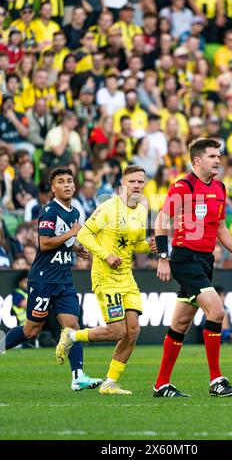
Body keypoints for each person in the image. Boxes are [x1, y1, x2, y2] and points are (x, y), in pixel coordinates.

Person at [153, 137, 232, 398]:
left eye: (218, 155)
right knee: (217, 310)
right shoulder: (182, 187)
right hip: (184, 259)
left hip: (206, 260)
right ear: (197, 161)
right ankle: (216, 380)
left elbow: (221, 228)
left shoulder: (220, 188)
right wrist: (164, 257)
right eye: (212, 156)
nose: (218, 159)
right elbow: (161, 221)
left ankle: (161, 384)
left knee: (181, 323)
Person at [55, 165, 156, 395]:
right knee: (117, 332)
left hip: (127, 277)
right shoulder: (108, 207)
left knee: (133, 331)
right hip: (105, 276)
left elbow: (135, 244)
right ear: (123, 184)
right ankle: (71, 335)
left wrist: (148, 246)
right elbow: (83, 234)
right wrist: (106, 255)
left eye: (141, 181)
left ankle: (109, 383)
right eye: (133, 182)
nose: (137, 185)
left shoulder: (141, 210)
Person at [4, 166, 101, 392]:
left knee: (73, 326)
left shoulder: (74, 212)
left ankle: (78, 377)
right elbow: (45, 243)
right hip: (43, 279)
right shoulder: (49, 211)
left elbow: (65, 240)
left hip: (63, 278)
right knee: (31, 331)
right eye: (61, 181)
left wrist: (76, 248)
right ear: (53, 187)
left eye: (69, 181)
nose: (66, 184)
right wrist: (73, 233)